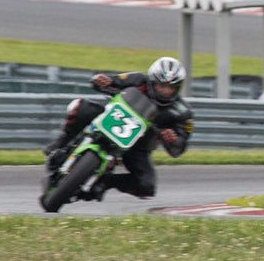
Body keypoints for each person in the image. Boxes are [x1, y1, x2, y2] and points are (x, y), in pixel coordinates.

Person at [42, 57, 194, 200]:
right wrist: (103, 80)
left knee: (147, 186)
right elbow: (113, 81)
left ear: (178, 88)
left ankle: (105, 182)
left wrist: (173, 139)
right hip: (113, 116)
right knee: (79, 107)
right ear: (152, 80)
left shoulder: (182, 111)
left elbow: (180, 146)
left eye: (170, 87)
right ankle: (59, 144)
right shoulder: (138, 79)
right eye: (162, 85)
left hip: (138, 145)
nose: (165, 91)